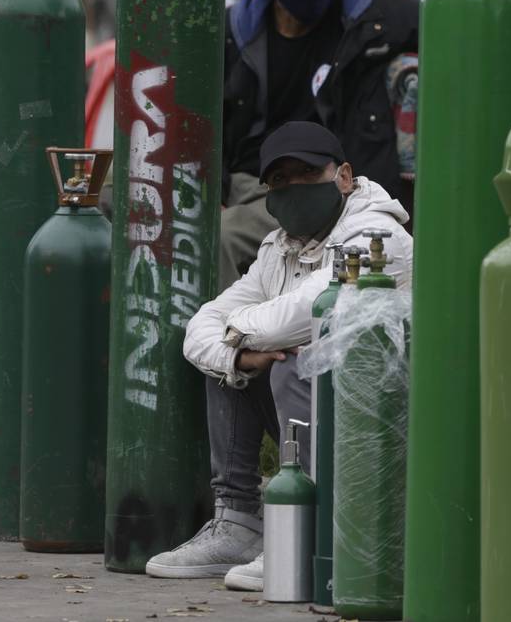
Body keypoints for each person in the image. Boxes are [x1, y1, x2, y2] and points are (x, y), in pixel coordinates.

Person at [146, 120, 413, 589]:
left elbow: (310, 310)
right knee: (231, 366)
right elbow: (201, 326)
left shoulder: (378, 235)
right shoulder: (277, 248)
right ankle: (239, 524)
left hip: (387, 429)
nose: (294, 188)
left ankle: (317, 524)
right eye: (280, 180)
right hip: (325, 416)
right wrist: (238, 354)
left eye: (308, 174)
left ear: (343, 176)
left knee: (289, 364)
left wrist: (240, 335)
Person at [218, 0, 418, 290]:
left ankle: (235, 329)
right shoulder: (232, 32)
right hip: (249, 180)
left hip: (320, 184)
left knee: (224, 236)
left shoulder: (371, 21)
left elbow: (456, 26)